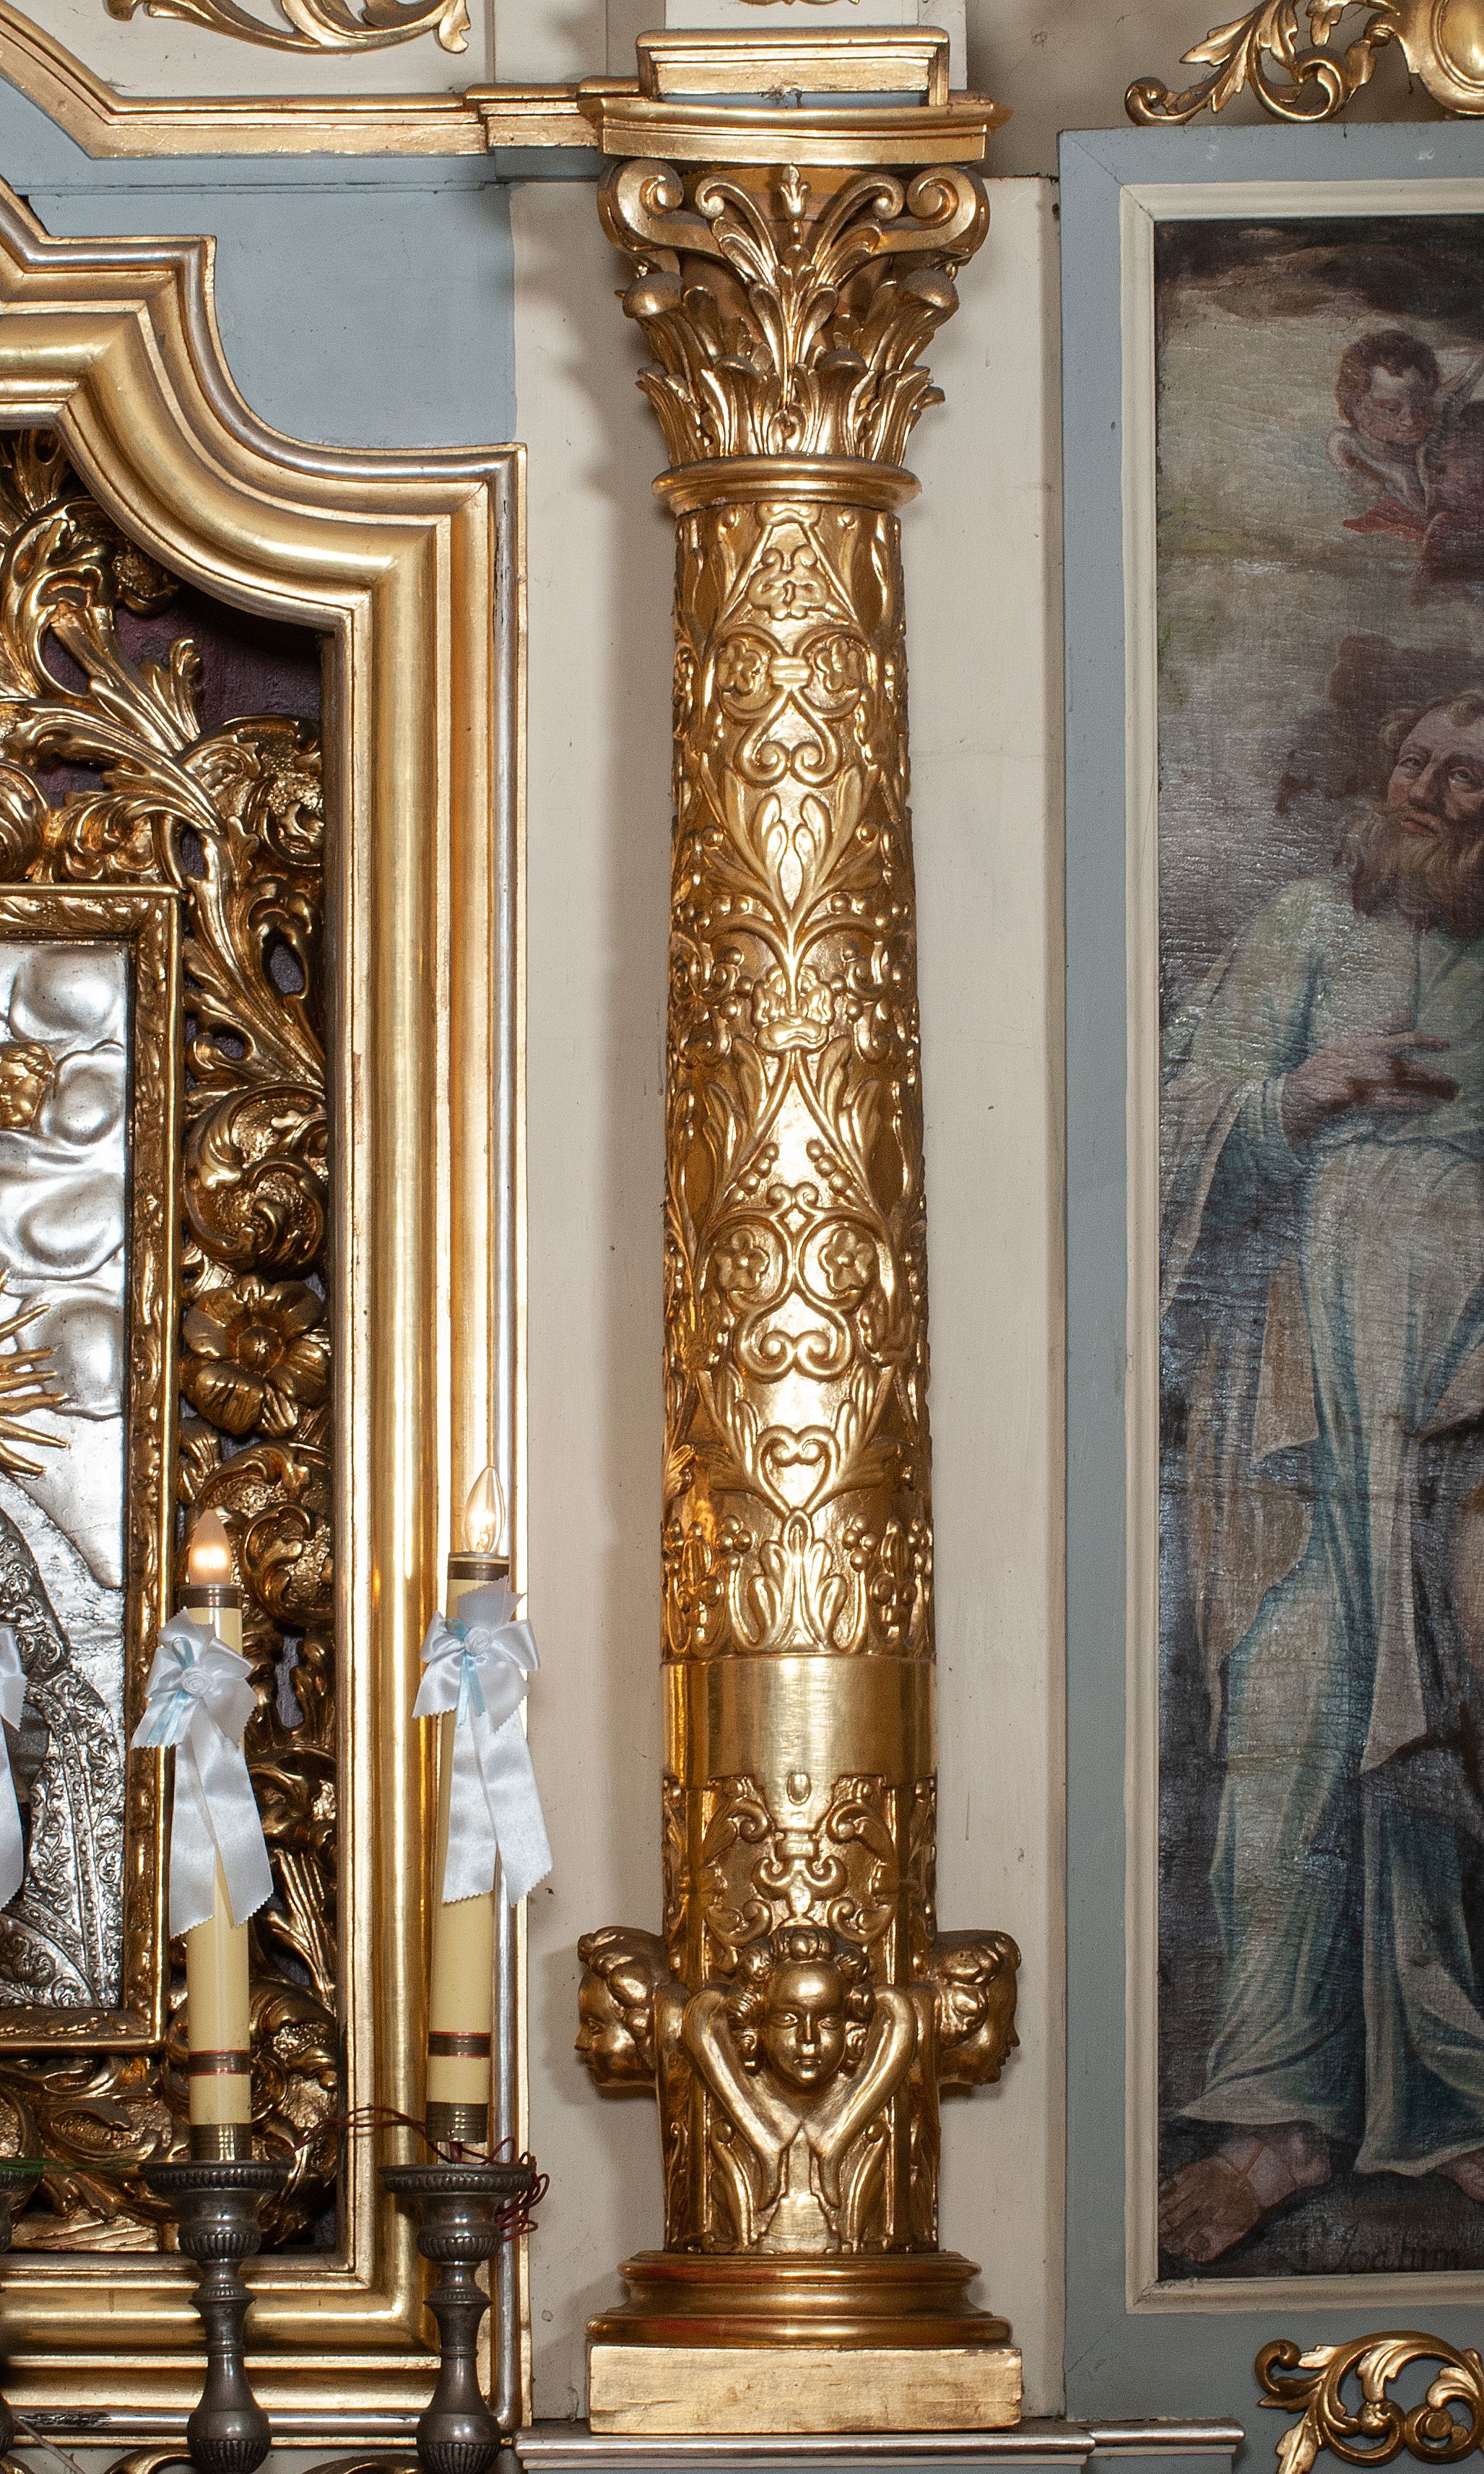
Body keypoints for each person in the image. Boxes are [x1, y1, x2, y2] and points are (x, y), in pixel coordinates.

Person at [1158, 688, 1484, 2264]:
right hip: (1300, 1385)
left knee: (1449, 1727)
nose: (1432, 790)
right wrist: (1303, 1091)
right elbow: (1169, 1120)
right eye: (1417, 761)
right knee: (1291, 1719)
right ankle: (1275, 2117)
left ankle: (1455, 2101)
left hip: (1459, 1391)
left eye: (1469, 777)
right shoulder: (1302, 926)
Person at [1328, 331, 1484, 542]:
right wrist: (1398, 474)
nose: (1410, 420)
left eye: (1421, 406)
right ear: (1355, 406)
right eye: (1391, 409)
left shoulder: (1433, 424)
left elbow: (1471, 375)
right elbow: (1416, 500)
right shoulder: (1346, 442)